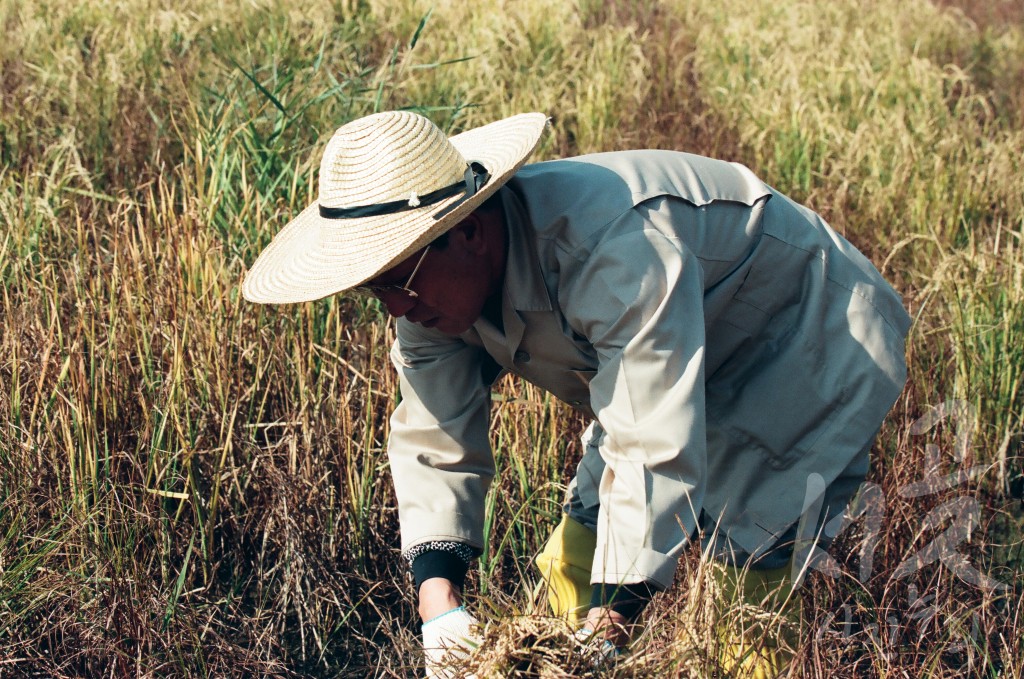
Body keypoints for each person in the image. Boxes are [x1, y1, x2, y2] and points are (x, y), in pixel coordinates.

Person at [242, 110, 910, 676]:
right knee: (575, 548)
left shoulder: (614, 247)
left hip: (805, 331)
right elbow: (434, 435)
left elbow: (650, 444)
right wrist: (438, 607)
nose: (394, 305)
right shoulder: (424, 296)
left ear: (468, 231)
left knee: (745, 579)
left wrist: (608, 627)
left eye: (399, 278)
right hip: (679, 350)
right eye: (374, 288)